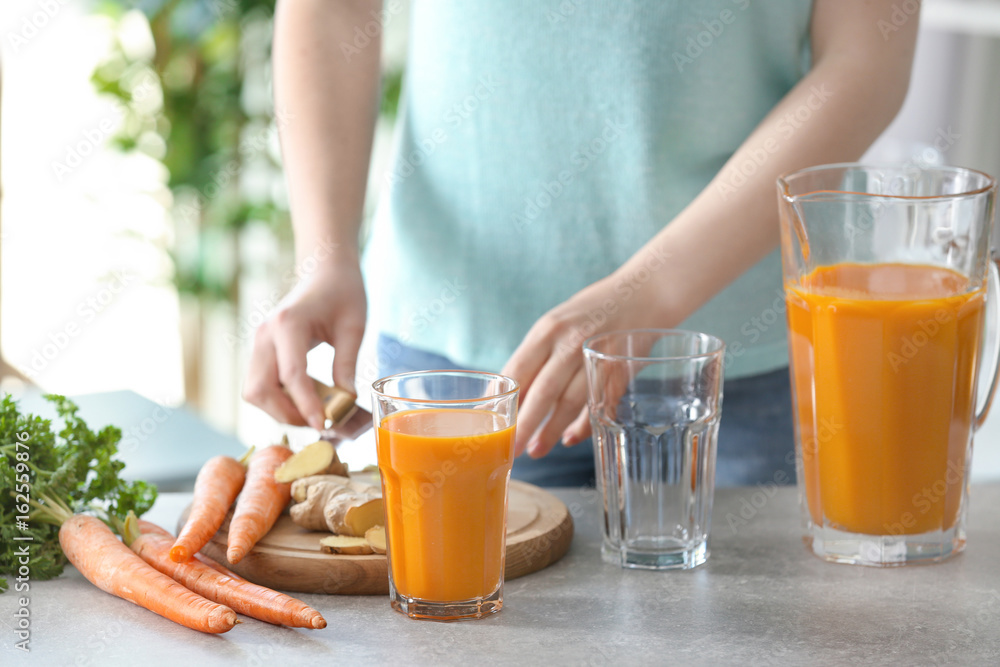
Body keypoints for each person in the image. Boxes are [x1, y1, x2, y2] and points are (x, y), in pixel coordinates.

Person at [244, 0, 918, 487]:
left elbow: (865, 61)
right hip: (459, 365)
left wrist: (651, 289)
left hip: (738, 368)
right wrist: (325, 253)